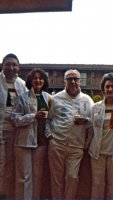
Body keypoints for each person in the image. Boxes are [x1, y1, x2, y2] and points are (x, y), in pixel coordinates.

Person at [45, 69, 94, 200]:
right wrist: (50, 137)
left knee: (72, 177)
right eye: (70, 79)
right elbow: (47, 120)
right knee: (56, 178)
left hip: (76, 147)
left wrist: (86, 142)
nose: (73, 81)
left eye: (76, 79)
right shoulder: (54, 99)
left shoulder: (87, 100)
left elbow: (94, 124)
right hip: (57, 145)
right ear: (64, 81)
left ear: (80, 81)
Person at [11, 68, 52, 200]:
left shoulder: (49, 98)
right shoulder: (22, 98)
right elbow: (15, 119)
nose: (38, 80)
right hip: (24, 143)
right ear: (30, 80)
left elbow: (50, 120)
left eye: (40, 78)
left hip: (41, 143)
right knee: (24, 177)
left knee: (38, 177)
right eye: (35, 78)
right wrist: (33, 116)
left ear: (44, 81)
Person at [89, 73, 113, 200]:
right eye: (107, 87)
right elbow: (91, 127)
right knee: (97, 185)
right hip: (97, 153)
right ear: (103, 89)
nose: (110, 89)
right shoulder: (95, 107)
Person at [0, 53, 27, 199]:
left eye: (14, 65)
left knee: (11, 164)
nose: (11, 67)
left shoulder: (22, 85)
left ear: (18, 67)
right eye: (7, 64)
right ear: (2, 66)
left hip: (15, 131)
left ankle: (7, 194)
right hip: (1, 128)